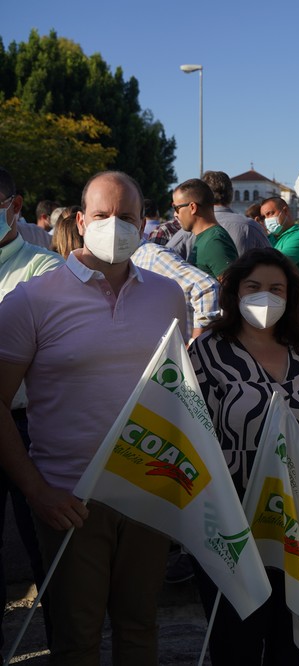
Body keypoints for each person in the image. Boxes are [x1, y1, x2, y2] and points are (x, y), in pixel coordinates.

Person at [0, 170, 186, 664]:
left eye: (126, 217)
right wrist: (37, 492)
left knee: (139, 628)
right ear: (80, 222)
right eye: (102, 216)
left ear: (144, 222)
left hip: (147, 493)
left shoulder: (169, 297)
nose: (114, 225)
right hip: (70, 502)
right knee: (76, 638)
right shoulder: (32, 301)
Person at [188, 247, 299, 665]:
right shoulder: (207, 350)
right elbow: (192, 433)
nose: (265, 297)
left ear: (291, 295)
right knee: (235, 639)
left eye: (276, 288)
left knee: (289, 637)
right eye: (254, 287)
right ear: (235, 292)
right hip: (233, 521)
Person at [0, 168, 63, 648]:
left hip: (28, 426)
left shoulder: (42, 269)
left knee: (48, 546)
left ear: (15, 207)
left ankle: (67, 646)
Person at [168, 171, 271, 259]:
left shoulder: (187, 230)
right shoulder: (251, 227)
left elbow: (164, 261)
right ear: (231, 194)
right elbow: (272, 262)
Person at [131, 240, 220, 341]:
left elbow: (206, 287)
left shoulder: (151, 256)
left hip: (174, 352)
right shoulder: (135, 258)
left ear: (142, 225)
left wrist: (194, 346)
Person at [172, 178, 238, 279]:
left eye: (177, 208)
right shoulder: (205, 237)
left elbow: (230, 289)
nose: (175, 214)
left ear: (192, 207)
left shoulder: (214, 241)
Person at [260, 196, 299, 303]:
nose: (267, 220)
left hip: (294, 304)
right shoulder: (268, 238)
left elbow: (275, 263)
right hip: (271, 300)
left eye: (270, 213)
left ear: (285, 211)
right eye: (264, 216)